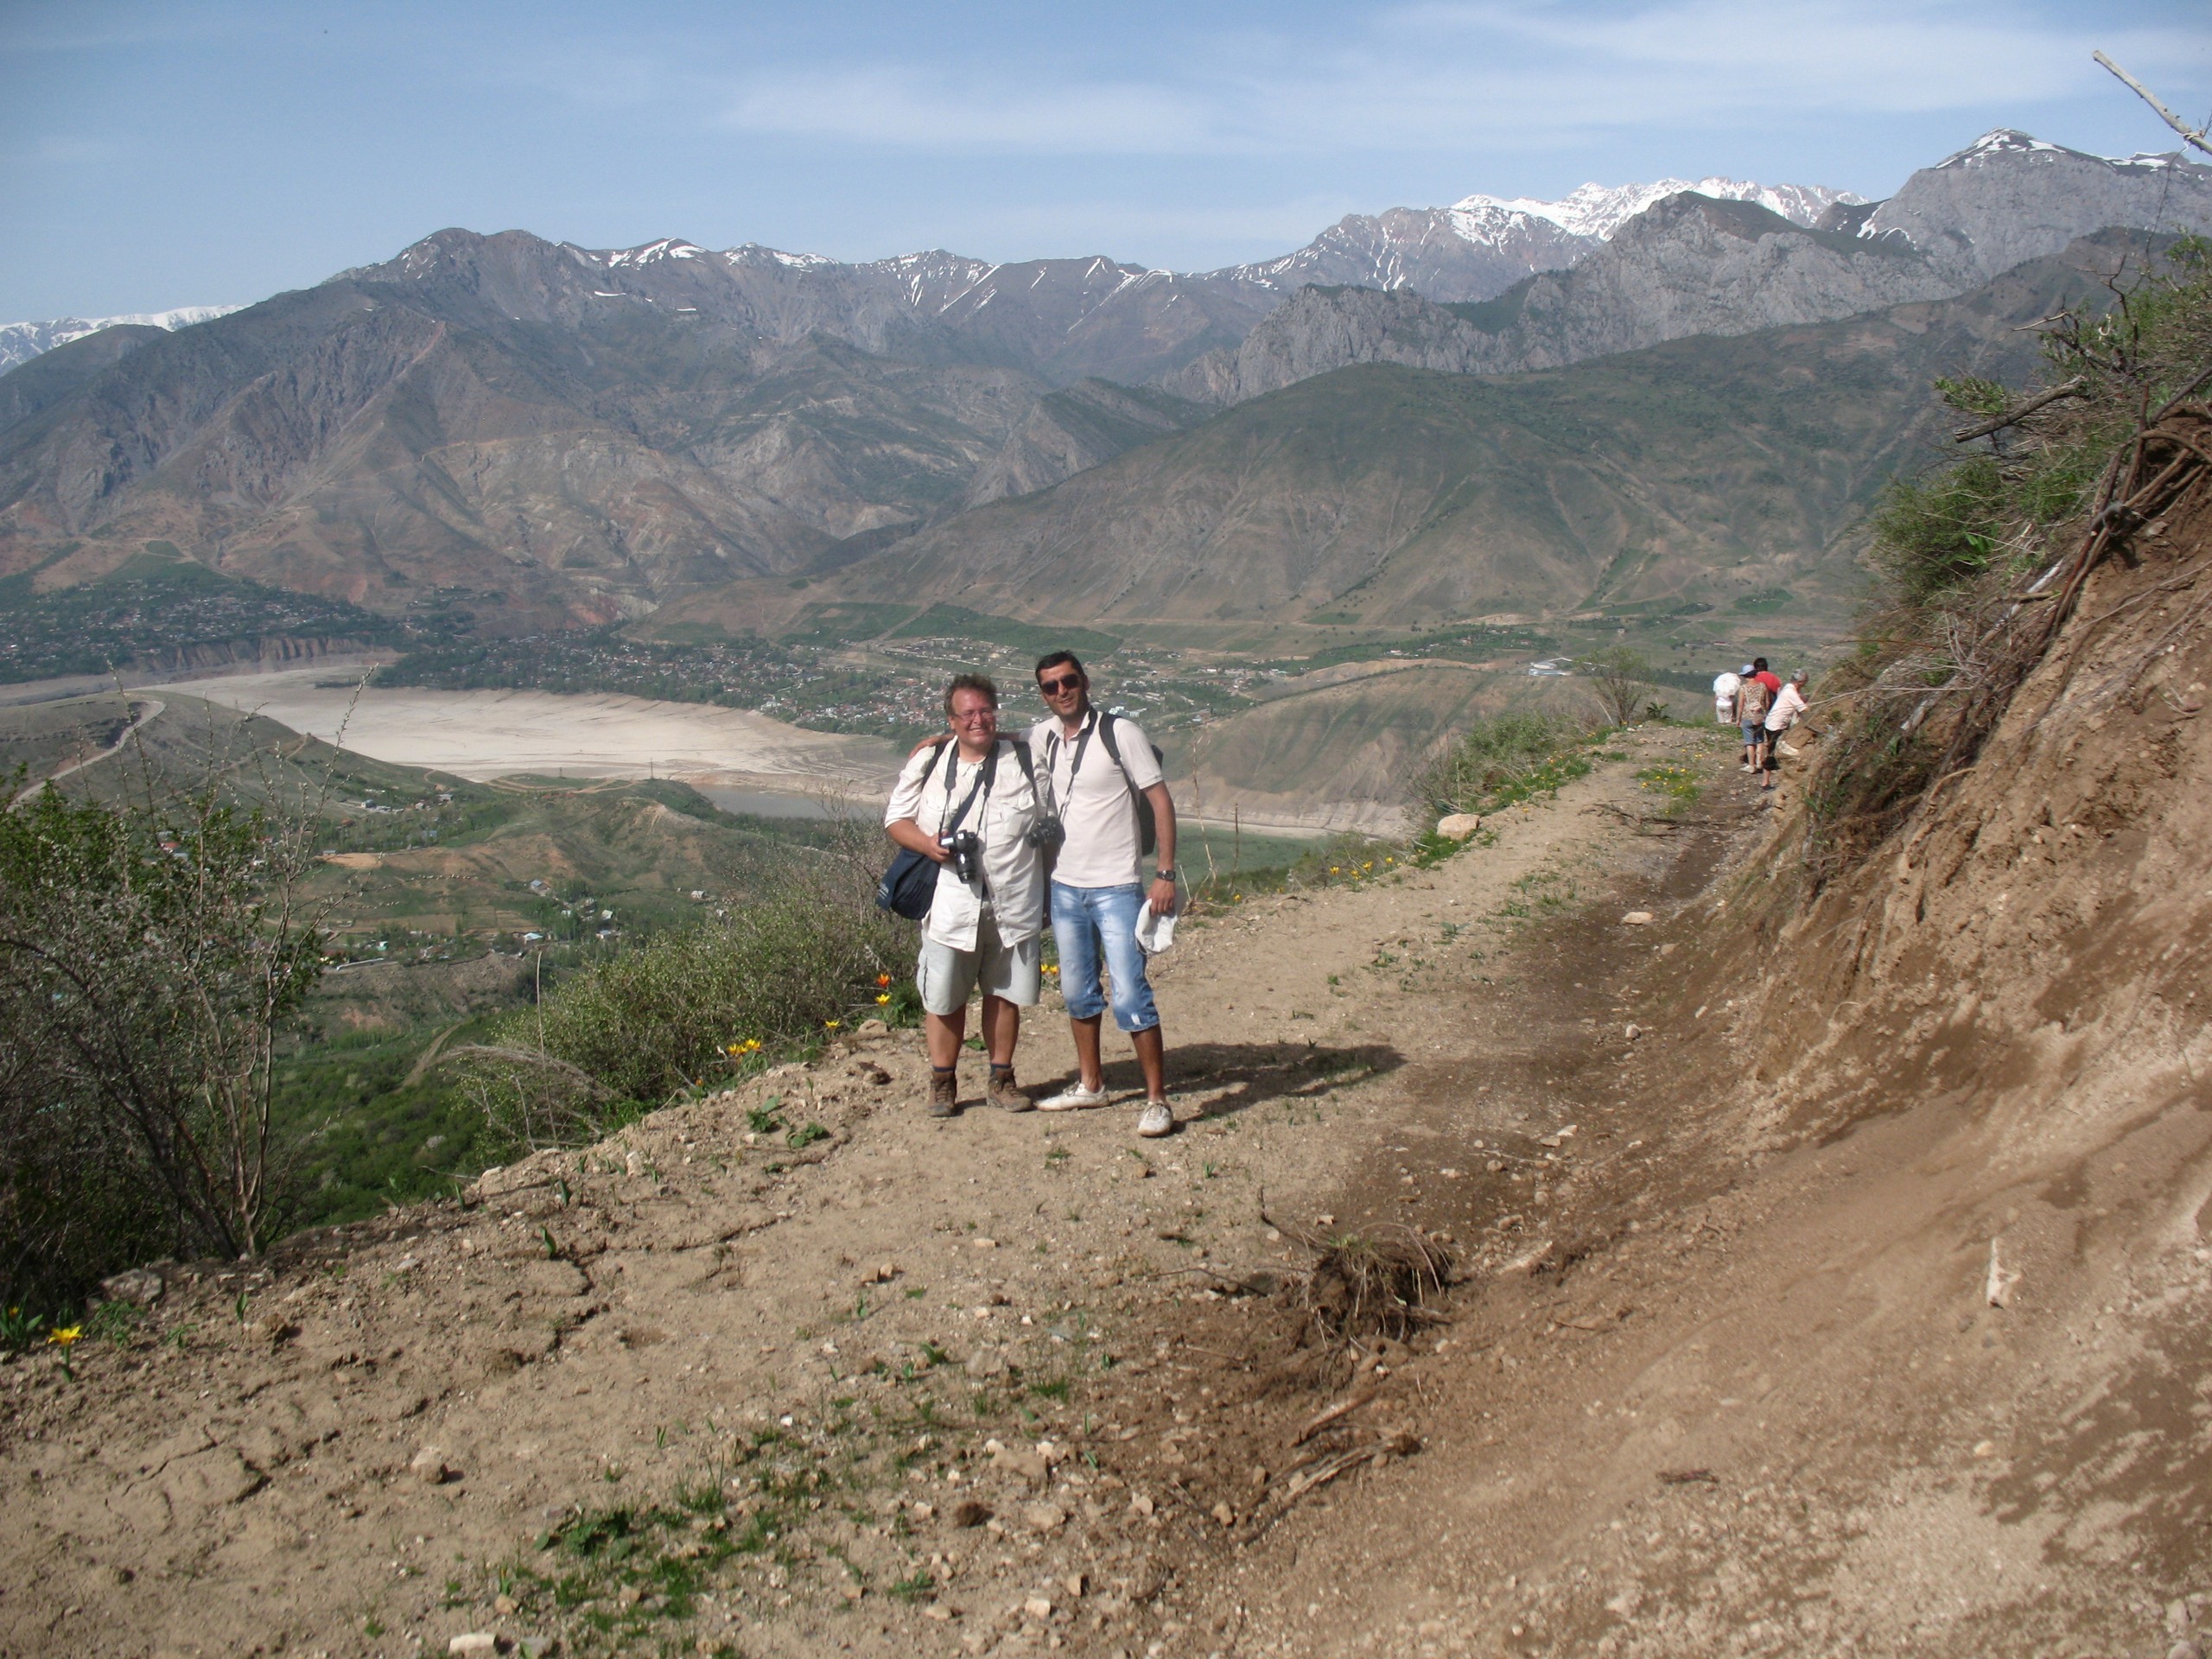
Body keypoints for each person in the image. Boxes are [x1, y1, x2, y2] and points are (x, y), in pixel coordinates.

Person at [1027, 652, 1181, 1138]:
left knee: (1132, 993)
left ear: (1085, 682)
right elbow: (998, 743)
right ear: (1043, 693)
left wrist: (1165, 874)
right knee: (1076, 991)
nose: (1061, 691)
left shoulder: (1122, 733)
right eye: (1050, 686)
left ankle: (1157, 1100)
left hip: (1117, 886)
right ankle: (1092, 1083)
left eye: (1068, 681)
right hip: (1065, 888)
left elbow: (1160, 801)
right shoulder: (1042, 736)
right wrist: (948, 738)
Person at [884, 674, 1047, 1119]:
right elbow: (896, 820)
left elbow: (1050, 819)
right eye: (968, 713)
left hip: (1013, 900)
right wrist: (927, 845)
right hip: (950, 904)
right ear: (951, 720)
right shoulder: (930, 760)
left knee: (1005, 993)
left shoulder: (1027, 758)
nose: (979, 720)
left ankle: (1001, 1078)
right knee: (943, 997)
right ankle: (943, 1083)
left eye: (986, 711)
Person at [1760, 671, 1809, 792]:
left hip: (1776, 723)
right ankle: (1765, 783)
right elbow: (1804, 709)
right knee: (1772, 752)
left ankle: (1775, 780)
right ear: (1800, 682)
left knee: (1776, 750)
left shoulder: (1789, 688)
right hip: (1775, 725)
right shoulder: (1790, 692)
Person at [1734, 663, 1770, 772]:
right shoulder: (1763, 686)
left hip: (1747, 717)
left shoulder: (1743, 689)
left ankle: (1751, 765)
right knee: (1760, 740)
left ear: (1745, 676)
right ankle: (1759, 761)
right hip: (1760, 716)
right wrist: (1765, 713)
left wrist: (1738, 719)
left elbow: (1740, 705)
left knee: (1749, 742)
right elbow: (1767, 702)